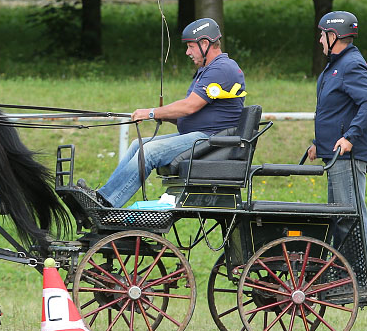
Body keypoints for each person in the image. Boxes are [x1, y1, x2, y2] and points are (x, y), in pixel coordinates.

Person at [78, 17, 245, 207]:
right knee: (136, 145)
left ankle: (106, 204)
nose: (187, 52)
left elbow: (189, 106)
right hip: (201, 136)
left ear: (205, 43)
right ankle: (102, 196)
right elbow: (195, 111)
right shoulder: (209, 70)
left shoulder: (222, 69)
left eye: (190, 46)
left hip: (210, 140)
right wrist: (163, 116)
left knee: (148, 151)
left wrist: (152, 113)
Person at [309, 10, 367, 283]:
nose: (319, 40)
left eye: (322, 34)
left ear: (333, 35)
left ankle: (356, 277)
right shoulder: (337, 64)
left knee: (348, 216)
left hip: (348, 156)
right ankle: (342, 274)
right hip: (334, 154)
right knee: (338, 215)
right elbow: (337, 109)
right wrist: (319, 143)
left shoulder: (351, 64)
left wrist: (350, 137)